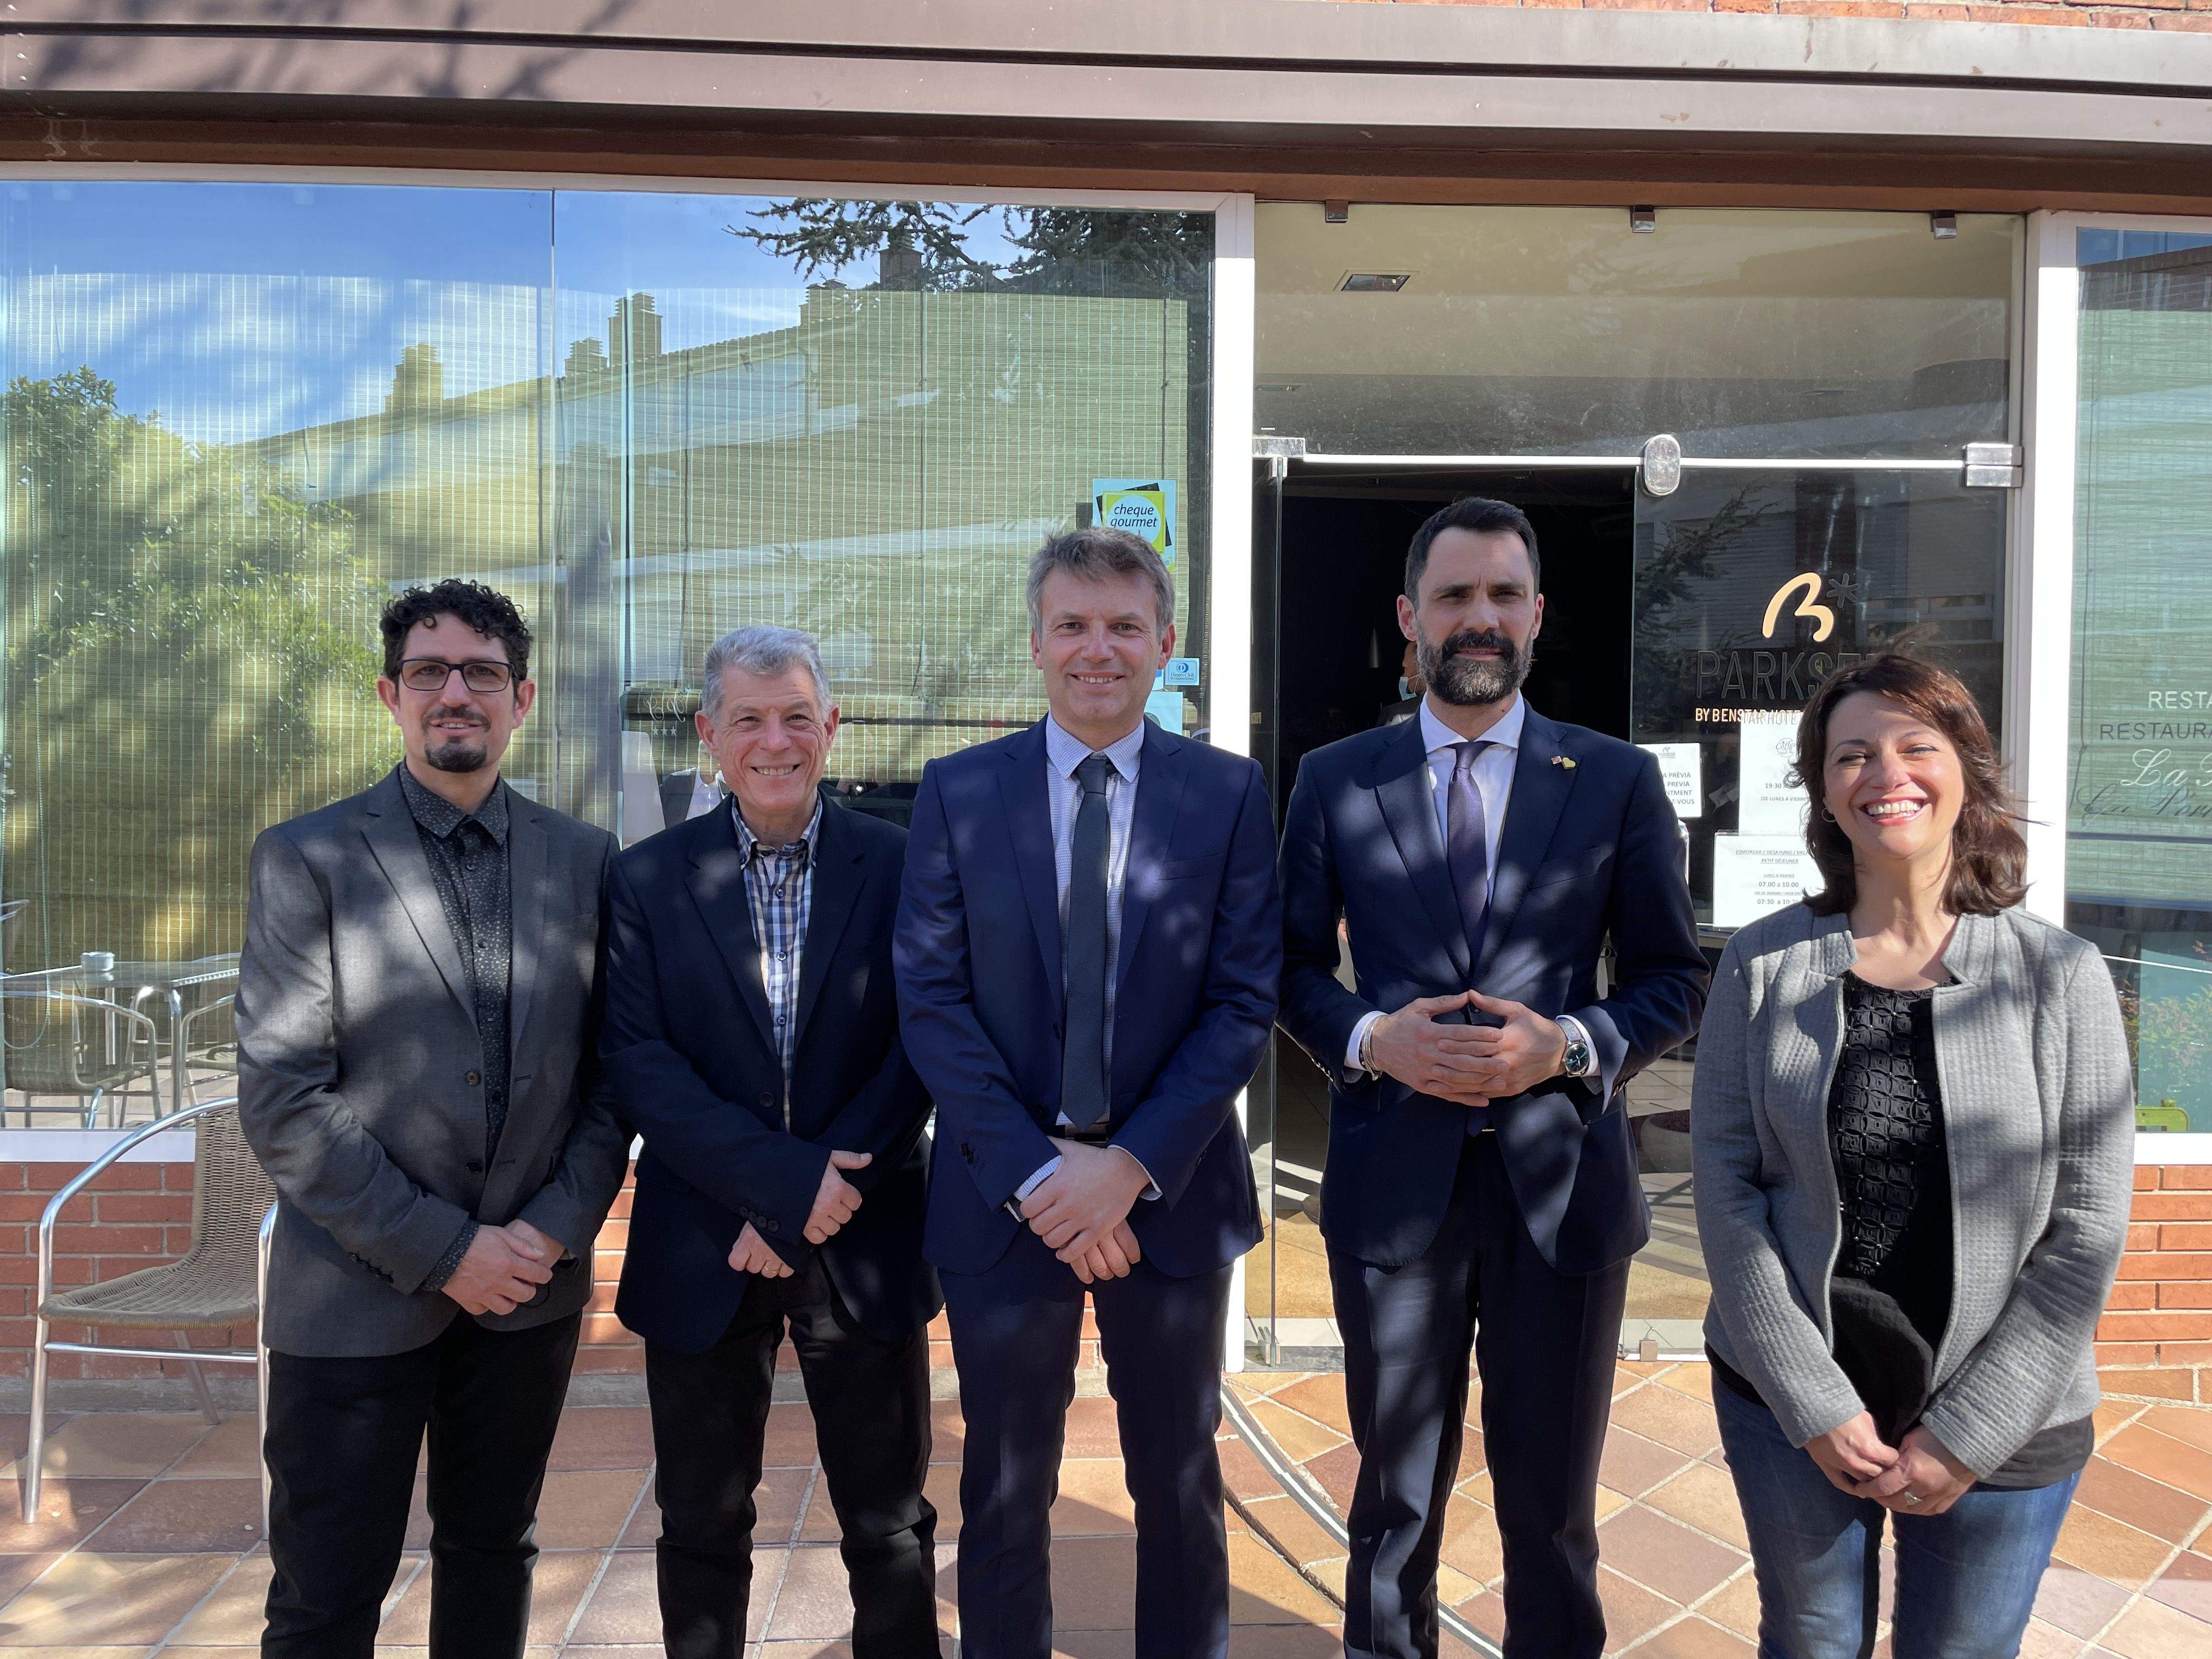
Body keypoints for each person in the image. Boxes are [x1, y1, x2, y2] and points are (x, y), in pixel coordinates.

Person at [1277, 496, 1707, 1659]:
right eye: (1456, 596)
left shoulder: (1613, 780)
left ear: (1536, 616)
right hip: (1394, 1193)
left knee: (1554, 1515)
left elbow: (1671, 979)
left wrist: (1566, 1045)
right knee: (1395, 1502)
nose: (1481, 618)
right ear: (1410, 618)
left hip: (1562, 1196)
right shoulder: (1334, 778)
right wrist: (1374, 1041)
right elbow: (1285, 967)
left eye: (1503, 595)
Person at [1694, 652, 2133, 1658]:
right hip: (1792, 1395)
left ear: (1964, 772)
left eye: (1912, 746)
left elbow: (2086, 1226)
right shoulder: (1760, 964)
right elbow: (1724, 1186)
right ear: (1822, 792)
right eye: (1851, 753)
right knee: (1810, 1639)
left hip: (2009, 1409)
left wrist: (1970, 1429)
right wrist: (1811, 1397)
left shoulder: (2059, 976)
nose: (1883, 772)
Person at [895, 527, 1281, 1659]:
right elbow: (931, 997)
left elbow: (1242, 999)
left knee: (1180, 1481)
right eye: (1073, 625)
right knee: (1006, 1493)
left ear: (1165, 644)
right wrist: (1037, 1174)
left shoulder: (1226, 792)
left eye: (1123, 627)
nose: (1096, 650)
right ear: (1037, 645)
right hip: (1002, 1198)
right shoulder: (961, 792)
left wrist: (1126, 1169)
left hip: (1169, 1192)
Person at [238, 579, 630, 1658]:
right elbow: (282, 1098)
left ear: (523, 698)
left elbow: (614, 1082)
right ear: (390, 695)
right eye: (429, 673)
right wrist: (451, 1251)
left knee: (493, 1556)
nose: (455, 693)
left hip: (528, 1295)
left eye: (482, 674)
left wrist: (546, 1233)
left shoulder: (585, 862)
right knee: (325, 1593)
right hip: (355, 1295)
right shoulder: (305, 858)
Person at [601, 625, 942, 1658]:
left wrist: (818, 1193)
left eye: (797, 715)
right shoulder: (647, 877)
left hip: (866, 1228)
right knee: (702, 1521)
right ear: (710, 733)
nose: (775, 740)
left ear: (831, 727)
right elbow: (638, 1060)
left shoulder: (903, 859)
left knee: (888, 1521)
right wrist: (782, 1190)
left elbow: (924, 1037)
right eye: (748, 718)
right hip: (706, 1235)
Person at [1378, 636, 1425, 726]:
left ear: (1422, 670)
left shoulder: (1397, 717)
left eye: (1405, 669)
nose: (1404, 676)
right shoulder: (1455, 709)